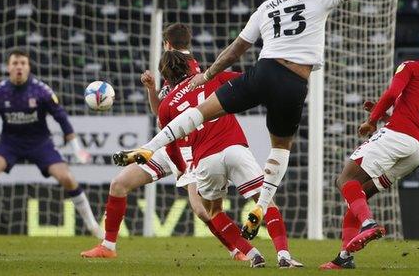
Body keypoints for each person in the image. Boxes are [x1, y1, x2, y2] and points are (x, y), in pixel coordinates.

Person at [114, 0, 419, 238]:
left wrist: (206, 76)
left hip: (261, 72)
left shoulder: (267, 7)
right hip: (292, 83)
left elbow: (237, 49)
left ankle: (147, 148)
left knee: (201, 111)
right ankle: (260, 207)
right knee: (281, 149)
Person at [119, 51, 304, 268]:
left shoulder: (167, 104)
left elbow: (169, 140)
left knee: (213, 211)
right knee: (264, 202)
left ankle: (253, 255)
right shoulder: (212, 78)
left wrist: (182, 169)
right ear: (190, 66)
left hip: (205, 160)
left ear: (165, 76)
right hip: (234, 147)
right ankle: (283, 256)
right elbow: (250, 82)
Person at [80, 24, 247, 261]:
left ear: (166, 44)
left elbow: (171, 112)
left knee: (202, 209)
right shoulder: (183, 68)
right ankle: (108, 246)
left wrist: (181, 167)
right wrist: (151, 89)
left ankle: (239, 251)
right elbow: (162, 113)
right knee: (119, 184)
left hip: (191, 148)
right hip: (170, 146)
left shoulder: (181, 66)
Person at [319, 40, 419, 269]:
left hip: (397, 136)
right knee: (358, 196)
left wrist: (372, 121)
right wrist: (382, 112)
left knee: (345, 180)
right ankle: (344, 257)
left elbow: (393, 92)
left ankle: (368, 223)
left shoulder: (411, 66)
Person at [0, 49, 102, 239]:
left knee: (67, 178)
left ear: (28, 67)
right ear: (8, 67)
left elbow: (61, 118)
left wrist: (77, 148)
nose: (19, 67)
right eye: (15, 63)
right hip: (10, 142)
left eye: (23, 63)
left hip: (40, 142)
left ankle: (94, 227)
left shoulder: (41, 91)